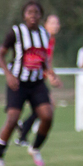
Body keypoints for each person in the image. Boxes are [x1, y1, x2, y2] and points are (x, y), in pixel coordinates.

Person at [0, 1, 62, 166]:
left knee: (47, 116)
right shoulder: (16, 32)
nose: (33, 16)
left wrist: (50, 73)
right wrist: (8, 75)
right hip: (18, 82)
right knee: (13, 119)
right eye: (29, 12)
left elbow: (42, 59)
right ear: (24, 15)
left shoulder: (44, 34)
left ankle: (35, 148)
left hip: (36, 83)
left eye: (36, 12)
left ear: (40, 16)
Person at [16, 14, 60, 146]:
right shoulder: (41, 38)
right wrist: (49, 76)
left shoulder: (50, 39)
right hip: (31, 78)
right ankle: (23, 130)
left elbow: (47, 61)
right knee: (46, 106)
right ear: (45, 24)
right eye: (52, 23)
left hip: (40, 77)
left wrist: (51, 74)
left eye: (57, 23)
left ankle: (23, 131)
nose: (55, 26)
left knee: (44, 107)